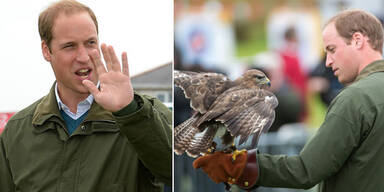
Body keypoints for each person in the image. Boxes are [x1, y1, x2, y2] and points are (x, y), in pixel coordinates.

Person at [193, 9, 384, 192]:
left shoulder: (356, 99)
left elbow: (306, 170)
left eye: (332, 50)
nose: (328, 61)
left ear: (358, 40)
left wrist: (240, 166)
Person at [0, 1, 172, 192]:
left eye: (90, 43)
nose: (83, 56)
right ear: (46, 50)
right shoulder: (15, 133)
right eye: (70, 46)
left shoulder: (144, 115)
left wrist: (129, 111)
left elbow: (177, 173)